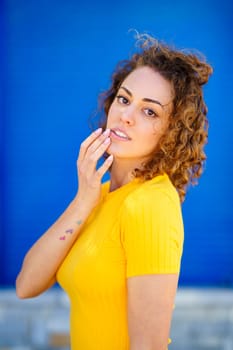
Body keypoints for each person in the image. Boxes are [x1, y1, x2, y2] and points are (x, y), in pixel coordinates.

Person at [16, 33, 213, 350]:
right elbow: (26, 285)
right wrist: (83, 200)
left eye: (149, 111)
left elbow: (148, 346)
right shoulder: (100, 193)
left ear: (171, 131)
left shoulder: (151, 206)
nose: (126, 116)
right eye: (124, 99)